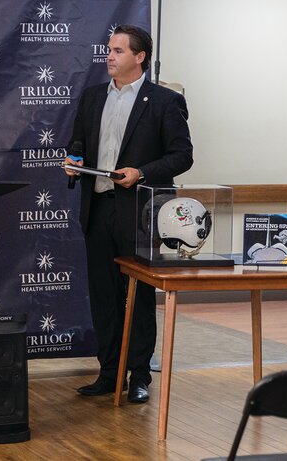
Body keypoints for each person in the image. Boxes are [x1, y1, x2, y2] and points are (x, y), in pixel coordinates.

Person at [64, 25, 193, 403]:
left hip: (138, 212)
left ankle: (138, 373)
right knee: (103, 295)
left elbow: (182, 155)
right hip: (98, 207)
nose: (109, 56)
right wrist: (74, 160)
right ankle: (109, 372)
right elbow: (78, 143)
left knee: (137, 295)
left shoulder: (165, 102)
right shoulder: (91, 98)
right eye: (109, 49)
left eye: (118, 50)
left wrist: (141, 172)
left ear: (140, 58)